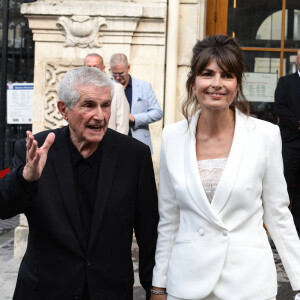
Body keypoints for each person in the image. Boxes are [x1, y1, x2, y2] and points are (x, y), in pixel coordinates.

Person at [151, 35, 300, 300]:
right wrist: (158, 285)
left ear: (237, 83)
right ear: (193, 82)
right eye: (207, 74)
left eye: (227, 75)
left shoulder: (265, 135)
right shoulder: (173, 137)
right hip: (186, 283)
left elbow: (278, 216)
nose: (217, 84)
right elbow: (170, 220)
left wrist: (299, 282)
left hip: (248, 284)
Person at [0, 67, 158, 300]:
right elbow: (4, 208)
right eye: (89, 105)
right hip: (45, 291)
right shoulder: (37, 149)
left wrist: (154, 290)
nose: (101, 115)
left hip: (109, 292)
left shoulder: (134, 156)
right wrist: (26, 178)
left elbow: (149, 234)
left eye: (105, 105)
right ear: (64, 109)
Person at [109, 53, 163, 153]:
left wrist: (134, 118)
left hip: (140, 143)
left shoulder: (144, 86)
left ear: (128, 67)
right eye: (114, 74)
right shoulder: (107, 88)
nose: (117, 77)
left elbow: (158, 112)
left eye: (120, 73)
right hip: (115, 144)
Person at [275, 49, 300, 236]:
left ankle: (297, 231)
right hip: (290, 143)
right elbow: (279, 108)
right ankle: (280, 232)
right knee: (284, 188)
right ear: (297, 60)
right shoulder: (285, 82)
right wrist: (298, 124)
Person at [84, 53, 130, 135]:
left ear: (103, 68)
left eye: (95, 67)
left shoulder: (116, 89)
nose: (92, 70)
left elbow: (122, 124)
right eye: (88, 67)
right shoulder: (76, 89)